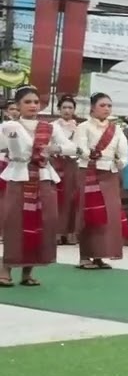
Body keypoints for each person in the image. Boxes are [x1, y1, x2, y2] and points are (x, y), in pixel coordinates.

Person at [0, 85, 77, 287]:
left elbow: (73, 148)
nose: (33, 106)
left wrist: (54, 148)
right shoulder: (9, 127)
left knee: (43, 222)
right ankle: (6, 268)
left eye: (35, 102)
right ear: (17, 105)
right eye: (27, 102)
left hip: (43, 178)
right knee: (14, 222)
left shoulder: (50, 127)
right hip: (19, 177)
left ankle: (28, 271)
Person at [74, 92, 128, 269]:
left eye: (109, 106)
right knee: (89, 214)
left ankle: (100, 255)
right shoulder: (83, 127)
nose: (106, 109)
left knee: (109, 216)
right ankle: (85, 256)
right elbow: (79, 148)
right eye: (102, 105)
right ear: (92, 107)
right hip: (89, 172)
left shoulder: (117, 129)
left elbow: (124, 152)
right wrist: (90, 155)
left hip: (110, 174)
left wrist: (121, 161)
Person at [53, 95, 80, 245]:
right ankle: (56, 232)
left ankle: (70, 232)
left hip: (72, 166)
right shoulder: (52, 126)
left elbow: (80, 148)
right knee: (57, 199)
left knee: (72, 198)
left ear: (74, 110)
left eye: (70, 108)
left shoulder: (79, 127)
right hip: (56, 164)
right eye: (64, 107)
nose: (67, 110)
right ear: (59, 109)